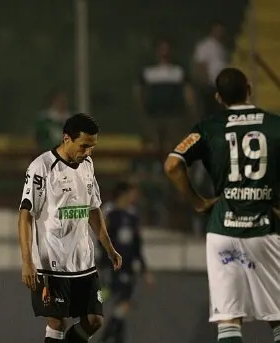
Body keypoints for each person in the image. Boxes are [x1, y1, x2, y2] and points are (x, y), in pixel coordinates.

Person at [164, 67, 280, 343]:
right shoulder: (275, 125)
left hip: (223, 229)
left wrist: (197, 201)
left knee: (228, 320)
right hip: (265, 227)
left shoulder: (208, 127)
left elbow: (172, 165)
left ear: (219, 97)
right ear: (249, 88)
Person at [18, 113, 123, 343]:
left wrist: (109, 247)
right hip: (52, 262)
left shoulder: (87, 164)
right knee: (56, 321)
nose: (88, 152)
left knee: (95, 320)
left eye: (92, 147)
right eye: (84, 146)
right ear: (66, 138)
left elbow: (93, 208)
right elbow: (25, 215)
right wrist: (27, 261)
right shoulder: (42, 167)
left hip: (84, 260)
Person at [98, 181, 154, 343]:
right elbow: (102, 242)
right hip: (114, 267)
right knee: (123, 304)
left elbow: (137, 247)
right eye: (132, 193)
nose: (135, 197)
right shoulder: (110, 214)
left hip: (129, 269)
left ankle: (115, 339)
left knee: (122, 307)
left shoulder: (133, 216)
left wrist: (145, 271)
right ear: (123, 195)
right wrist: (104, 263)